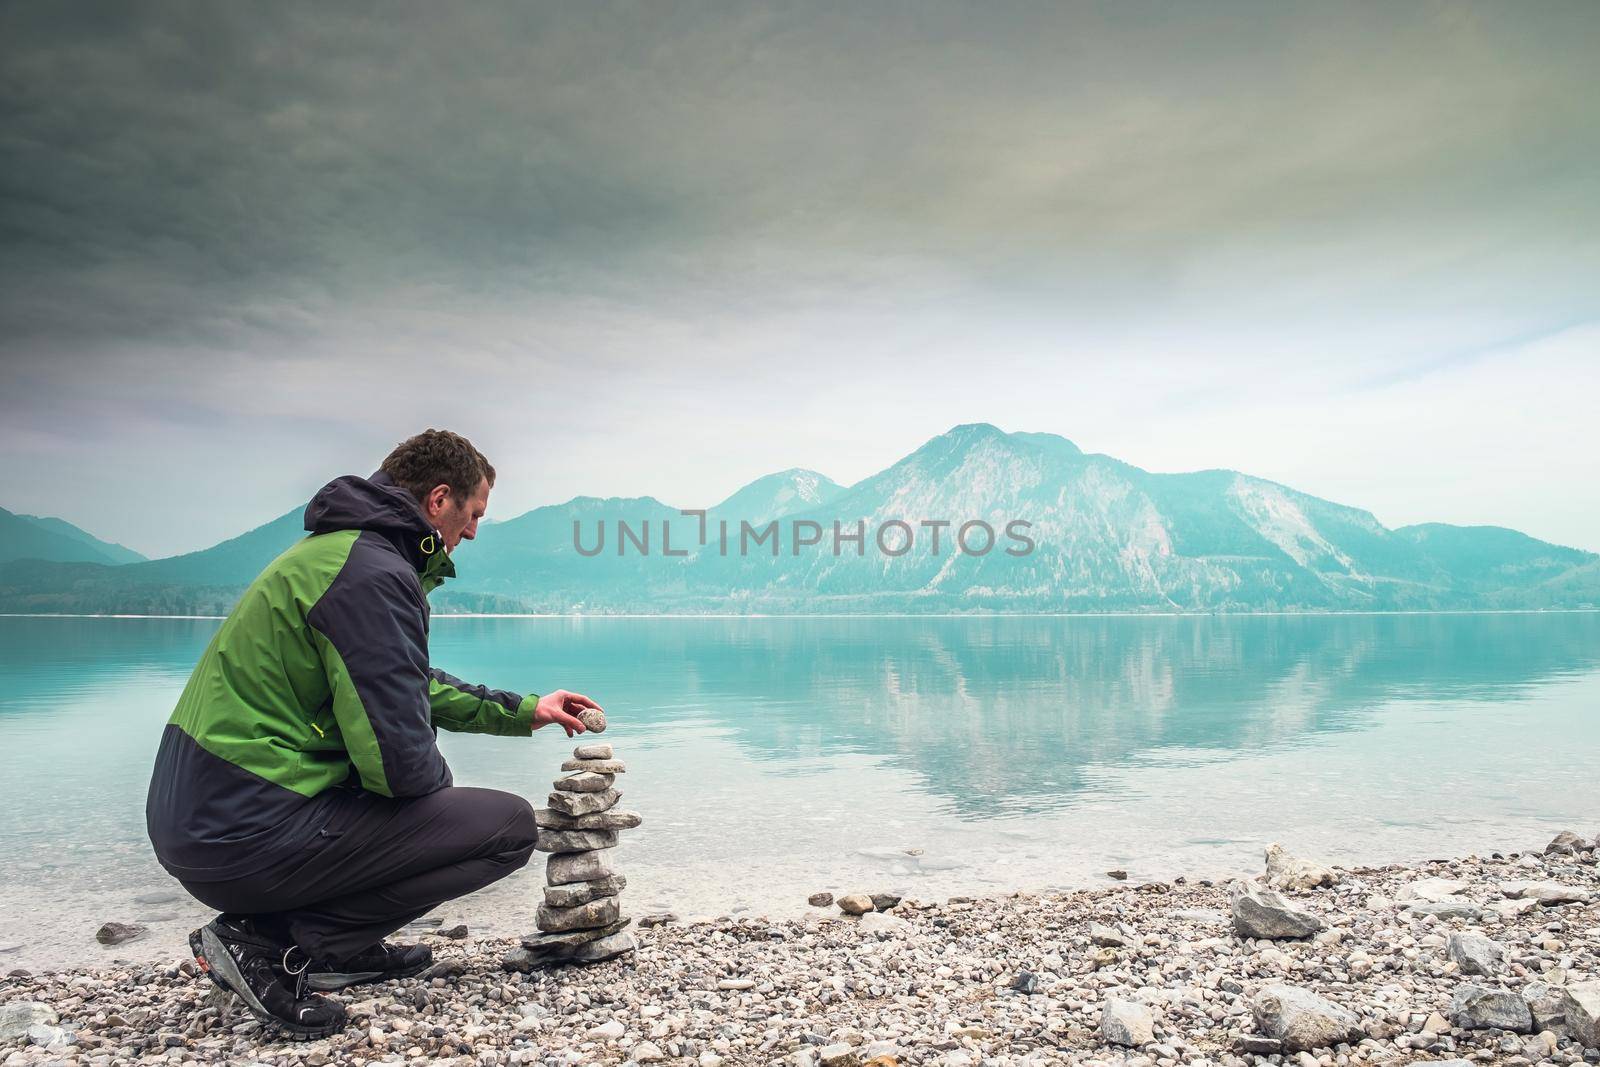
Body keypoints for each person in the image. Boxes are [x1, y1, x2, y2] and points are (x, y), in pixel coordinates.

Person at [144, 429, 602, 1038]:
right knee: (502, 829)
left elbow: (399, 679)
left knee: (436, 813)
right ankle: (272, 944)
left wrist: (525, 710)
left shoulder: (343, 556)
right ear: (439, 499)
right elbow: (399, 765)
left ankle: (331, 948)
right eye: (473, 515)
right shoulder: (371, 575)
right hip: (240, 828)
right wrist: (437, 813)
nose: (472, 533)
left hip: (208, 818)